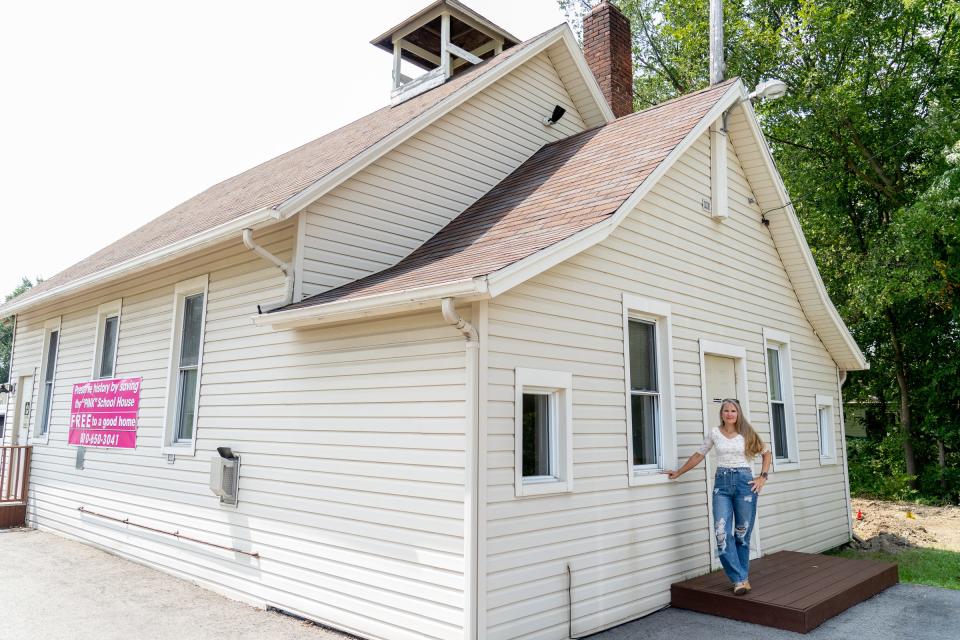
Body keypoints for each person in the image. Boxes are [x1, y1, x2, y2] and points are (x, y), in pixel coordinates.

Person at [662, 398, 772, 595]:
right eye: (726, 411)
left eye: (733, 411)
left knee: (742, 535)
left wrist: (762, 477)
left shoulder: (747, 433)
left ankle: (741, 579)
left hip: (744, 484)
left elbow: (766, 453)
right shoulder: (714, 433)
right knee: (721, 533)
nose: (729, 414)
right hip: (721, 485)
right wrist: (679, 472)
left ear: (738, 413)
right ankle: (739, 579)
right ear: (721, 413)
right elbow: (699, 454)